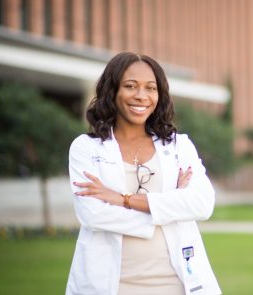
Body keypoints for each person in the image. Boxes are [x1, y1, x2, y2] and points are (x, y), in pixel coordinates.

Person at [65, 52, 222, 295]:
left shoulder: (179, 146)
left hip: (176, 284)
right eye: (130, 86)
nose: (141, 96)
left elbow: (202, 205)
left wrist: (122, 199)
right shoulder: (86, 147)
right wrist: (170, 208)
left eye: (151, 88)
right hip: (110, 285)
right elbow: (93, 215)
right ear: (112, 90)